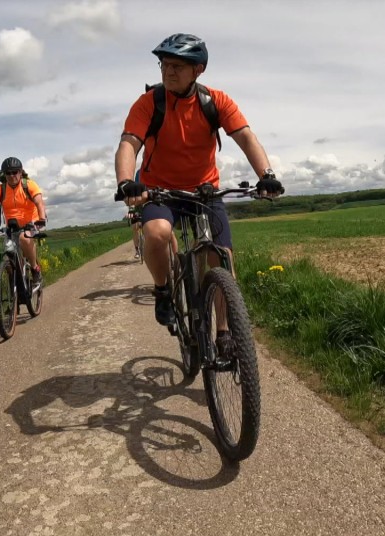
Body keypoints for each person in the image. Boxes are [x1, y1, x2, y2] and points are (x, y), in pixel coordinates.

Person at [113, 33, 284, 329]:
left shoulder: (215, 101)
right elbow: (129, 143)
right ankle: (163, 289)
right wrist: (127, 182)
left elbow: (245, 136)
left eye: (177, 66)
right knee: (156, 233)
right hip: (160, 191)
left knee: (222, 257)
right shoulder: (148, 103)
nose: (168, 72)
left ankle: (225, 332)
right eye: (164, 65)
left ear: (198, 70)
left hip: (204, 191)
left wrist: (266, 175)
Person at [0, 157, 48, 285]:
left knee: (24, 238)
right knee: (10, 250)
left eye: (15, 172)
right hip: (12, 227)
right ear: (4, 174)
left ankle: (35, 269)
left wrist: (41, 219)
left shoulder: (28, 185)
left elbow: (39, 203)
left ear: (20, 172)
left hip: (32, 223)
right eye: (8, 173)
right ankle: (17, 286)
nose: (12, 176)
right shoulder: (0, 189)